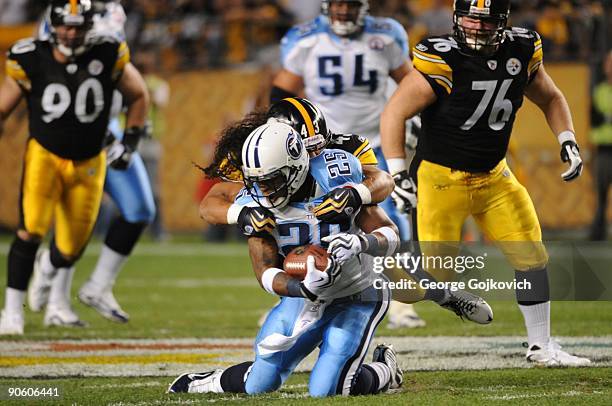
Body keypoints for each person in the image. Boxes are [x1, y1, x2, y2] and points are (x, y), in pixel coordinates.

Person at [380, 0, 590, 366]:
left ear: (503, 23)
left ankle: (541, 346)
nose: (477, 28)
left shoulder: (521, 50)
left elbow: (551, 97)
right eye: (471, 19)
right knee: (430, 279)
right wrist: (398, 173)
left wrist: (567, 138)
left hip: (493, 175)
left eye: (487, 21)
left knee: (532, 255)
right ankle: (364, 276)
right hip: (440, 179)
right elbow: (394, 112)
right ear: (457, 20)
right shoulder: (443, 58)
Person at [200, 97, 492, 326]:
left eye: (318, 146)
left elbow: (382, 181)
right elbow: (211, 203)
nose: (315, 155)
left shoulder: (341, 152)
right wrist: (240, 214)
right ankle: (289, 310)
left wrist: (355, 194)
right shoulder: (258, 156)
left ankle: (445, 296)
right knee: (287, 266)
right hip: (289, 232)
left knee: (406, 286)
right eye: (306, 148)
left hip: (337, 231)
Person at [170, 120, 404, 397]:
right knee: (259, 384)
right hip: (302, 300)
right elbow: (265, 273)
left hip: (358, 294)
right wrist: (301, 288)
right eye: (257, 182)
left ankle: (386, 371)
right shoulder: (255, 202)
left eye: (271, 180)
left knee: (328, 390)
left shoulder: (334, 178)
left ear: (296, 167)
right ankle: (212, 381)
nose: (265, 190)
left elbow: (391, 235)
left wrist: (359, 241)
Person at [270, 0, 425, 328]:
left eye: (351, 4)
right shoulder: (304, 38)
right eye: (338, 4)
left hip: (376, 142)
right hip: (320, 148)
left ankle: (400, 299)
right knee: (310, 218)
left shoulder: (387, 34)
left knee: (396, 214)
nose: (344, 11)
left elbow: (411, 83)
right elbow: (281, 92)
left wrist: (410, 119)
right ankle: (300, 294)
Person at [0, 0, 149, 334]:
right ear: (52, 26)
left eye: (77, 26)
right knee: (31, 228)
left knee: (71, 246)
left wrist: (131, 140)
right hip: (46, 153)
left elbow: (138, 94)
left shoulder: (108, 50)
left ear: (89, 25)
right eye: (64, 26)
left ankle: (67, 287)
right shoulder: (30, 55)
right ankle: (12, 312)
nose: (70, 33)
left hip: (91, 154)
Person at [589, 50, 612, 241]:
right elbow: (595, 120)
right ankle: (598, 233)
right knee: (601, 193)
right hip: (604, 149)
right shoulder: (600, 91)